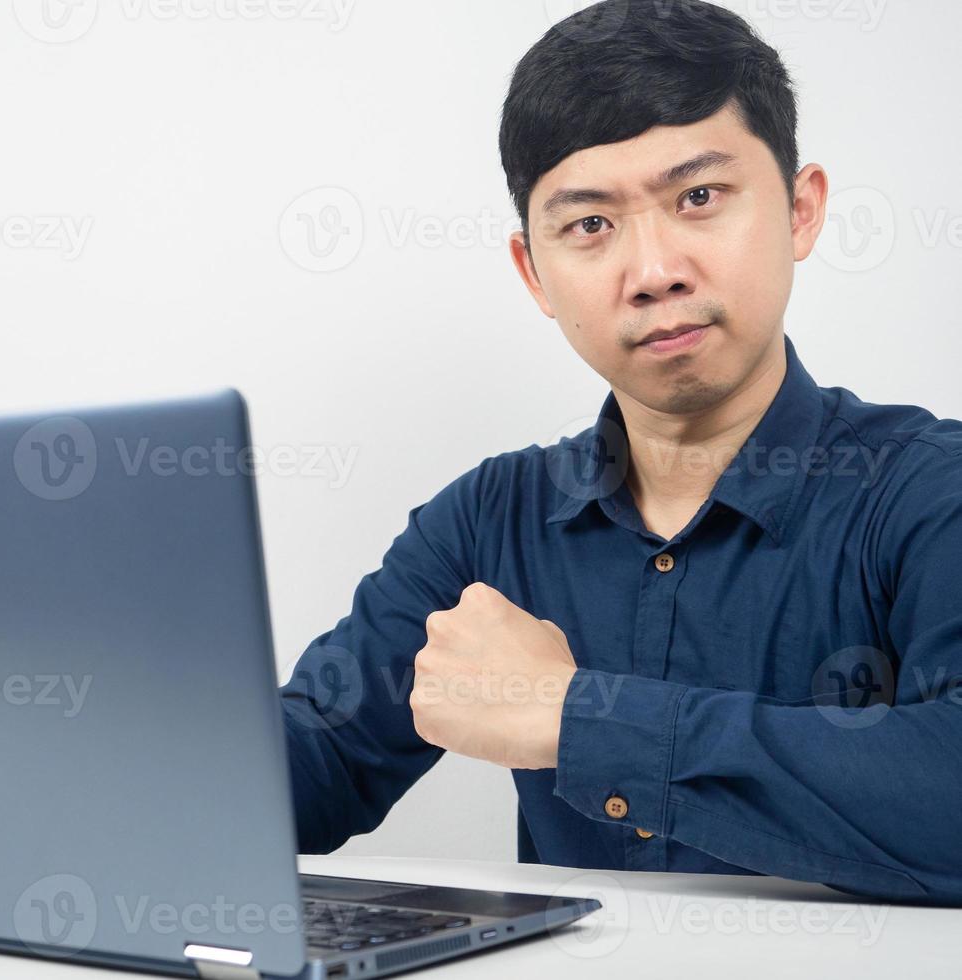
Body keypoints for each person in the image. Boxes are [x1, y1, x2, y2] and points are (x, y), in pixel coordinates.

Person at [279, 0, 962, 905]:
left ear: (801, 211)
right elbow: (311, 763)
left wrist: (578, 717)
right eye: (590, 225)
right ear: (534, 273)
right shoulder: (487, 523)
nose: (653, 271)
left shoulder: (926, 494)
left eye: (698, 198)